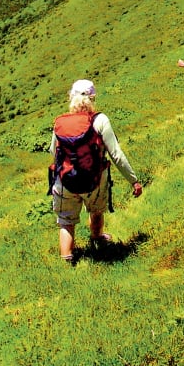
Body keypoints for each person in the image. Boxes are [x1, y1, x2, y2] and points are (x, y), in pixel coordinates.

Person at [49, 79, 143, 263]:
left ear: (70, 98)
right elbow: (116, 154)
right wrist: (134, 180)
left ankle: (66, 260)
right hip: (95, 179)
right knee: (96, 210)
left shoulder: (60, 122)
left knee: (66, 221)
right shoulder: (100, 120)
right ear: (93, 98)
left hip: (65, 179)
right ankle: (97, 237)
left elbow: (54, 151)